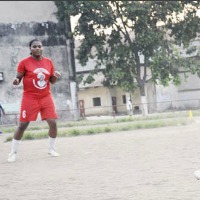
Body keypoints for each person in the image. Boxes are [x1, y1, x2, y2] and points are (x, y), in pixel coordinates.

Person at [7, 38, 61, 162]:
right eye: (34, 46)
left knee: (53, 123)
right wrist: (16, 81)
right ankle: (12, 152)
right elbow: (18, 78)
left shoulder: (48, 62)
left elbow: (51, 81)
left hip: (45, 96)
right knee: (22, 125)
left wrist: (56, 76)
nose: (37, 48)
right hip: (30, 97)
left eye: (39, 46)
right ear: (30, 49)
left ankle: (51, 149)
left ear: (42, 48)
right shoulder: (24, 62)